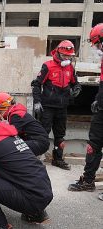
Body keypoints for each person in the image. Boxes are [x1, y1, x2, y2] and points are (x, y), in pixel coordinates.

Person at [31, 40, 82, 170]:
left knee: (60, 135)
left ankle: (57, 159)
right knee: (43, 133)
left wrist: (77, 88)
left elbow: (75, 83)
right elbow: (37, 84)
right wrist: (37, 102)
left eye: (69, 56)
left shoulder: (70, 67)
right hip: (47, 106)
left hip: (62, 107)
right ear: (58, 53)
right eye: (65, 55)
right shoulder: (47, 66)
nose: (67, 58)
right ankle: (37, 159)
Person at [68, 24, 103, 199]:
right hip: (101, 111)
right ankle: (88, 180)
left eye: (97, 44)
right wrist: (98, 99)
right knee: (93, 146)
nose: (97, 48)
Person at [0, 92, 49, 156]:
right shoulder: (16, 113)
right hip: (37, 141)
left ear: (4, 106)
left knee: (10, 148)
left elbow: (10, 135)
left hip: (38, 142)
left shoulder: (16, 115)